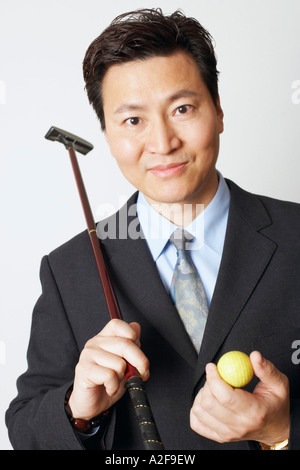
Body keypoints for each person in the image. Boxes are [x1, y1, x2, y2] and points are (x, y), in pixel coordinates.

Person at [6, 8, 300, 450]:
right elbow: (25, 428)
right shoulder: (68, 271)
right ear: (106, 135)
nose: (163, 144)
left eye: (182, 108)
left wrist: (284, 432)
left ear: (219, 111)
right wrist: (78, 411)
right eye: (133, 120)